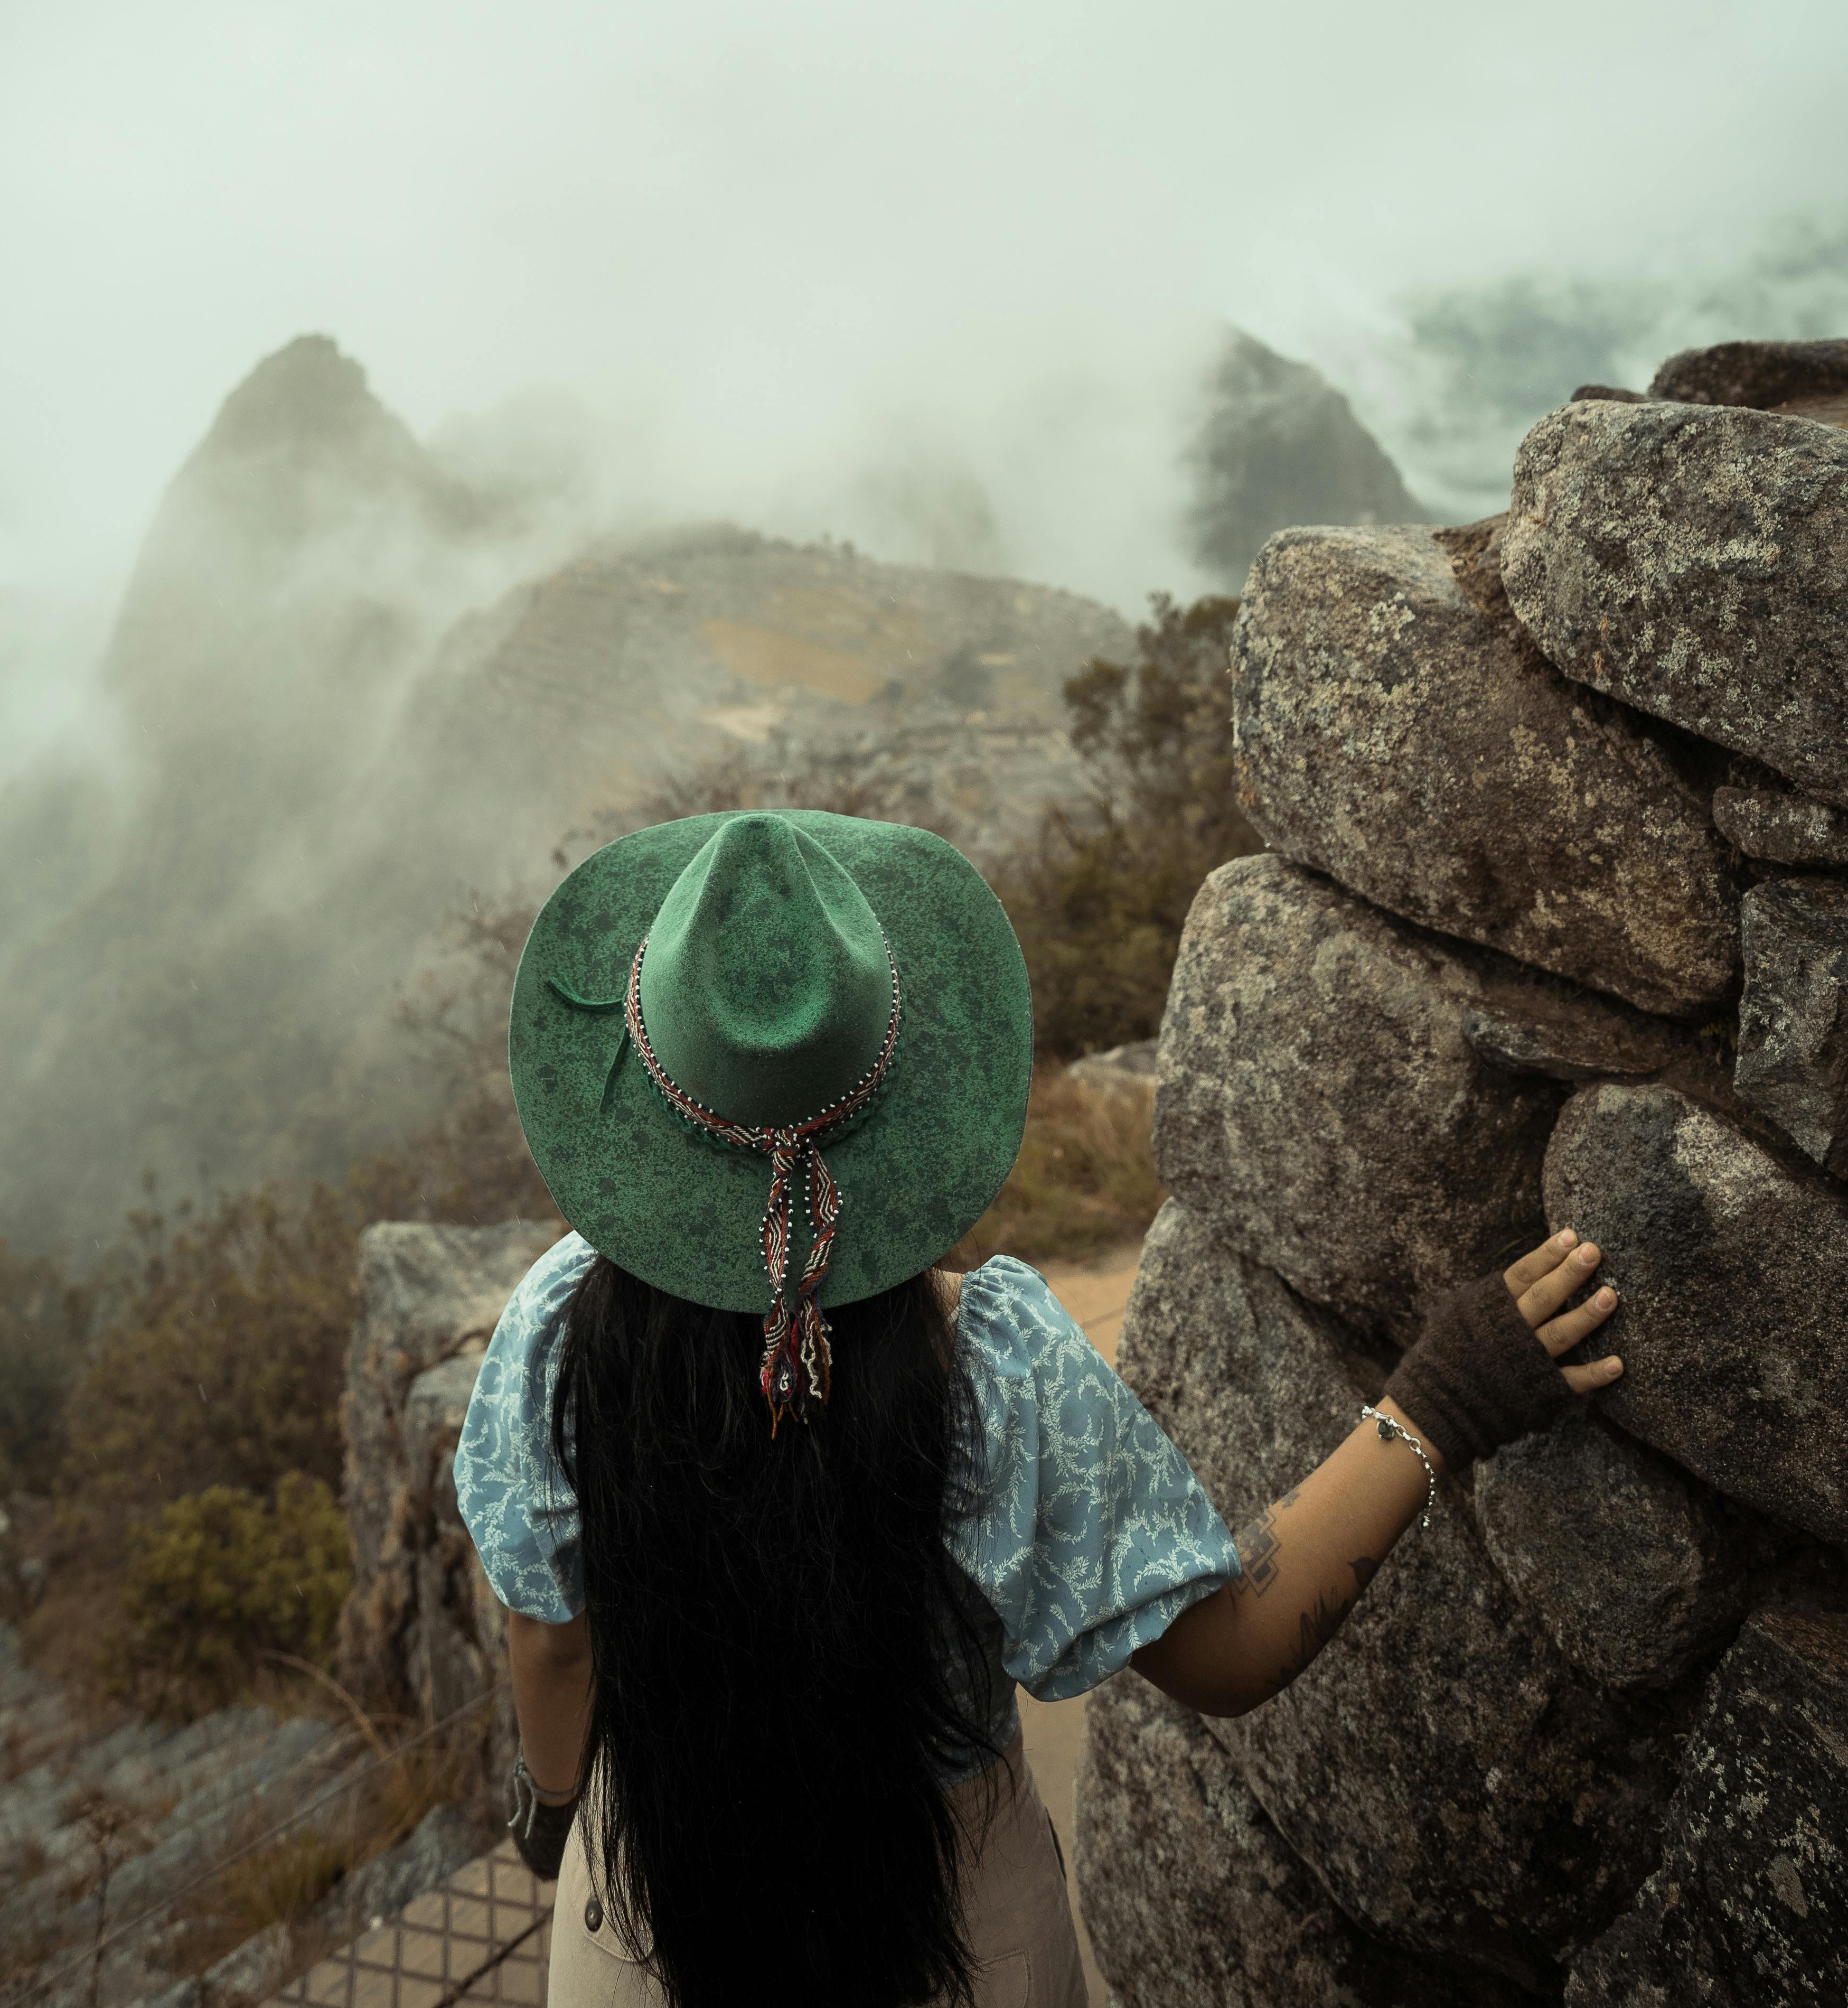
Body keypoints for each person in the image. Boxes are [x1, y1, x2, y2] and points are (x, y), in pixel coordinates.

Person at [455, 809, 1623, 2008]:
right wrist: (1440, 1401)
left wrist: (555, 1819)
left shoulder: (555, 1330)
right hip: (947, 1924)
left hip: (644, 1900)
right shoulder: (985, 1370)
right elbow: (1226, 1649)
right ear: (898, 1100)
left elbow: (551, 1636)